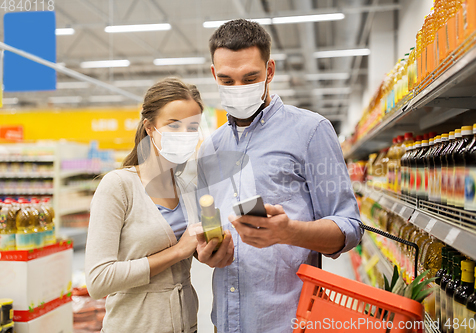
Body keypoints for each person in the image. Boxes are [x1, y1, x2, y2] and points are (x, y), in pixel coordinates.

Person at [195, 19, 363, 333]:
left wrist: (289, 232)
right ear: (213, 74)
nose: (238, 89)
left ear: (269, 71)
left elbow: (350, 227)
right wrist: (207, 252)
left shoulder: (311, 132)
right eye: (227, 80)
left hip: (288, 323)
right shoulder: (210, 149)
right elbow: (207, 226)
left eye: (250, 77)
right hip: (226, 322)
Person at [85, 78, 213, 333]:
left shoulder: (188, 189)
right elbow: (98, 280)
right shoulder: (119, 186)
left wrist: (211, 248)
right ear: (150, 127)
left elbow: (194, 251)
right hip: (136, 325)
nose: (185, 135)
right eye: (173, 125)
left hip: (186, 324)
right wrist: (177, 251)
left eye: (192, 127)